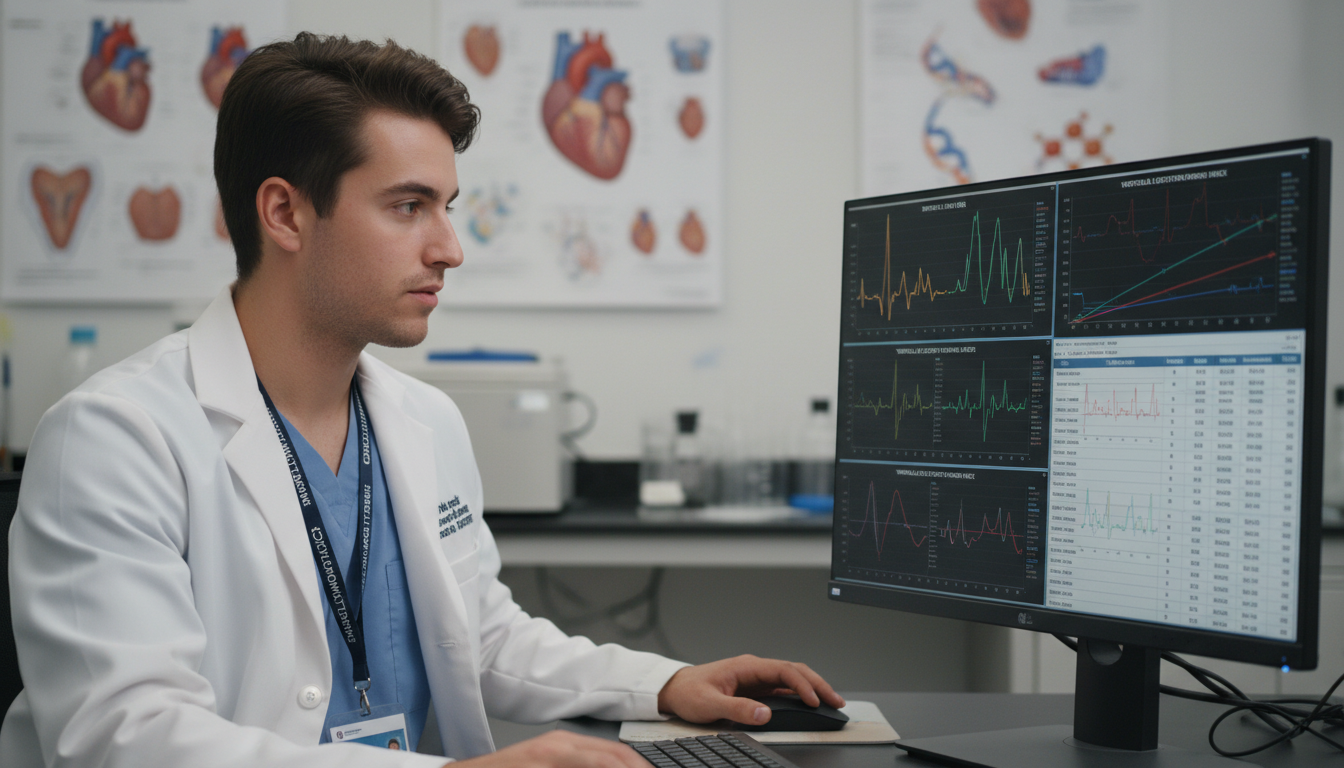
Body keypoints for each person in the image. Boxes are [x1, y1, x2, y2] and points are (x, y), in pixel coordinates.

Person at [0, 33, 843, 768]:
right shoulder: (115, 438)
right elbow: (126, 737)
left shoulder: (425, 421)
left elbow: (477, 635)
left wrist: (663, 683)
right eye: (408, 206)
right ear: (285, 213)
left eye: (447, 207)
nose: (449, 248)